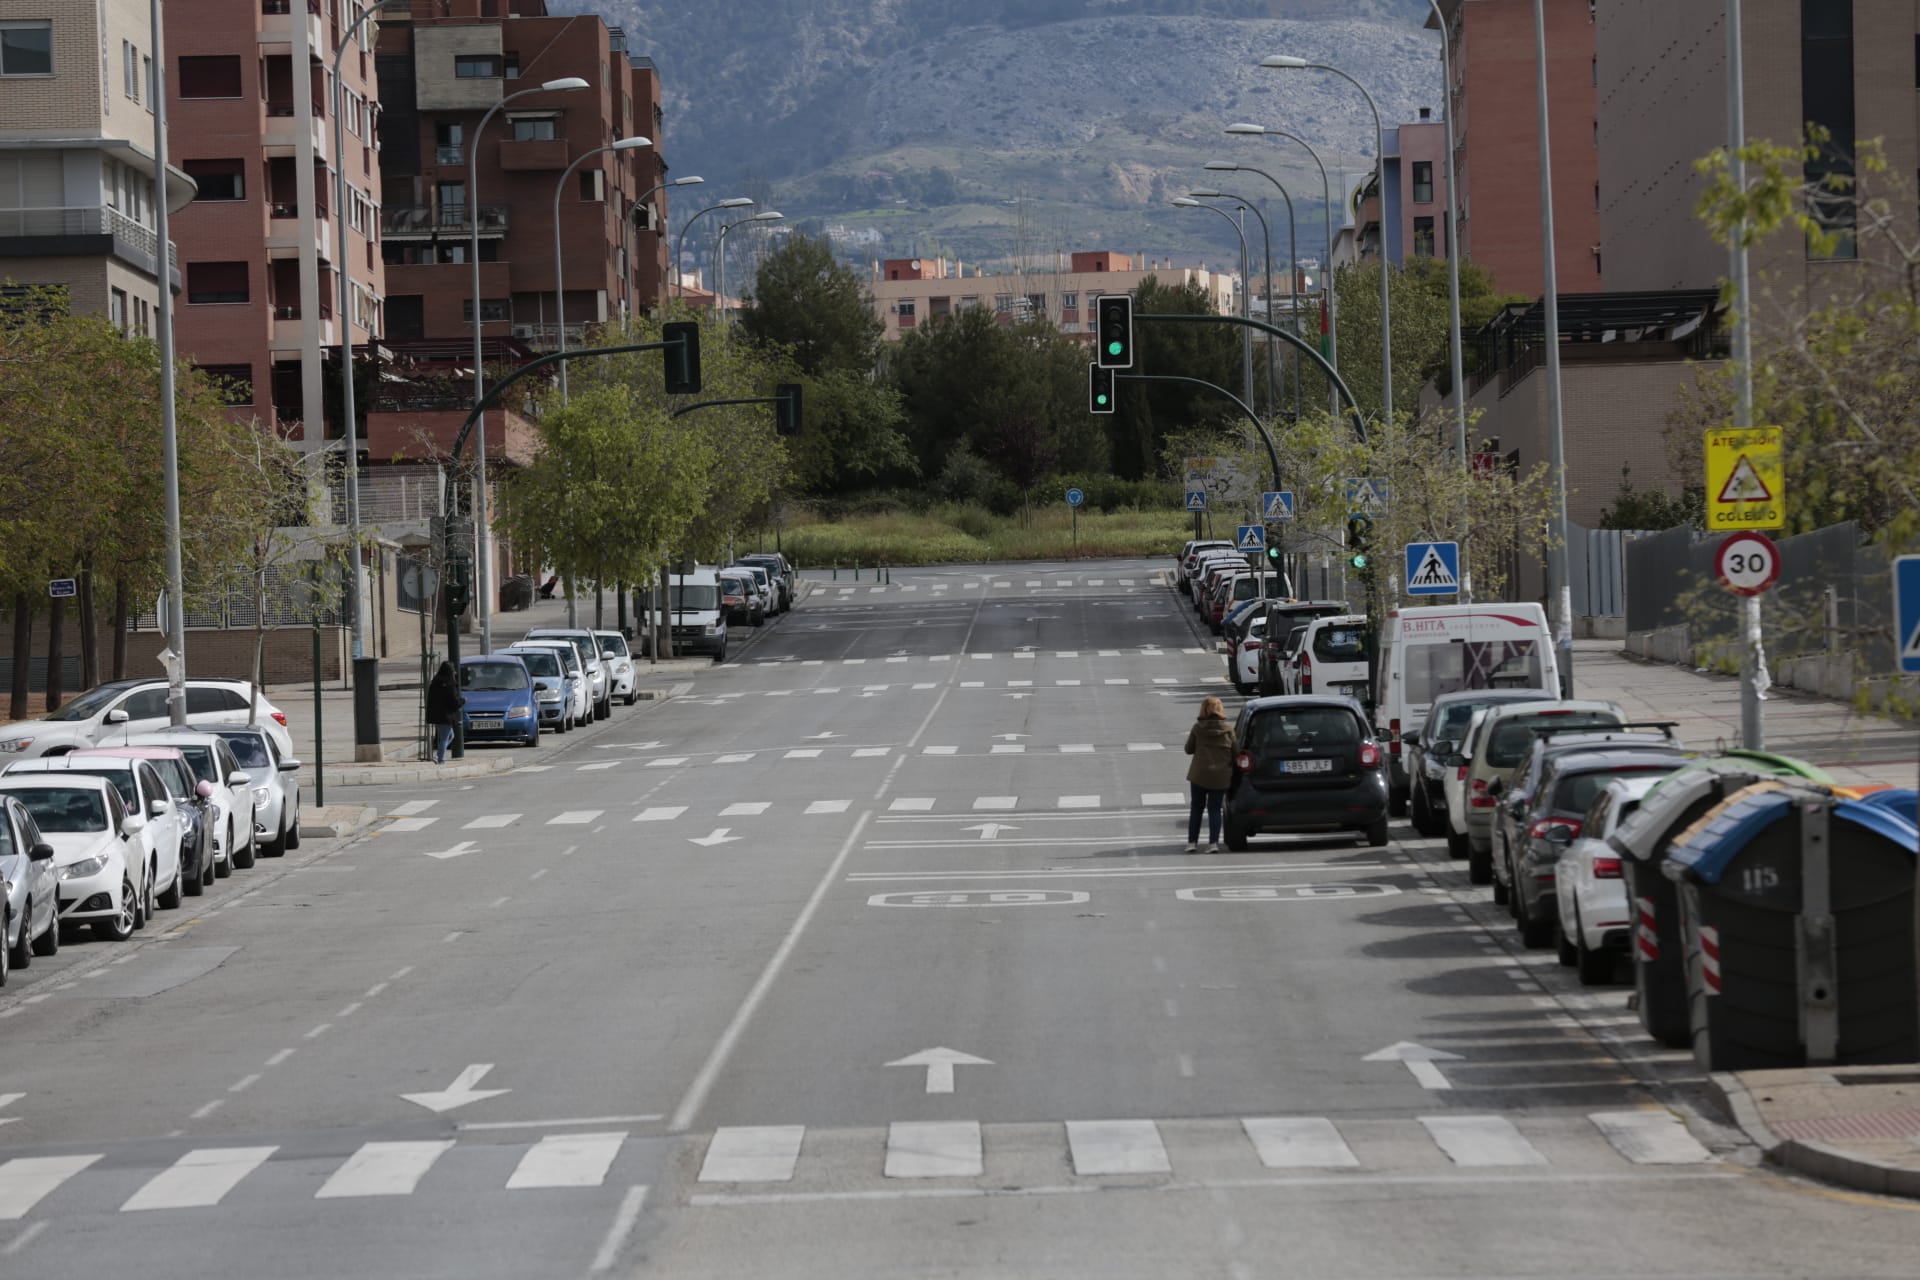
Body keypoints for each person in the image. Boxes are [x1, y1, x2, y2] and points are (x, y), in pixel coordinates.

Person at [1183, 695, 1237, 853]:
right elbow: (1236, 752)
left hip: (1199, 774)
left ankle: (1192, 842)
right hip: (1220, 776)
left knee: (1196, 808)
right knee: (1215, 809)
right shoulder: (1228, 729)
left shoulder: (1198, 728)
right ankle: (1213, 843)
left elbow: (1188, 749)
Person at [425, 660, 464, 764]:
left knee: (450, 736)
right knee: (444, 738)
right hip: (445, 716)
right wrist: (462, 701)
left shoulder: (435, 682)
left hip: (436, 715)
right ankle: (440, 759)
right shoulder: (449, 684)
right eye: (453, 670)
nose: (455, 672)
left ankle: (439, 754)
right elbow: (453, 701)